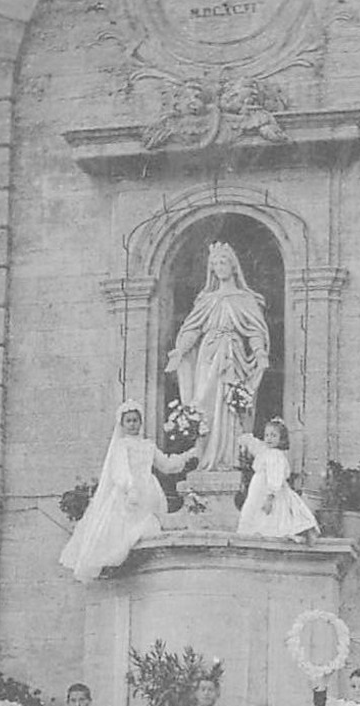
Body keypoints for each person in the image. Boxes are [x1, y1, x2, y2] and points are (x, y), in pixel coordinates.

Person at [59, 400, 197, 581]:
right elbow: (120, 470)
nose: (133, 424)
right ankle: (118, 567)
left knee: (149, 526)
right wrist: (130, 487)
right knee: (122, 530)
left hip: (148, 492)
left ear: (141, 422)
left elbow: (166, 465)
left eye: (135, 420)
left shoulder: (148, 446)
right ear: (122, 425)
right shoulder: (121, 446)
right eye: (129, 421)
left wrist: (188, 456)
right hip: (128, 493)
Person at [165, 242, 270, 471]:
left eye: (223, 262)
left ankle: (230, 459)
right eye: (215, 264)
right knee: (205, 403)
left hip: (233, 356)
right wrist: (180, 350)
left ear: (233, 266)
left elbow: (254, 330)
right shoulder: (206, 299)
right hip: (208, 357)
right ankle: (206, 459)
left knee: (231, 404)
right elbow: (192, 328)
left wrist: (260, 352)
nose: (219, 267)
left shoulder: (244, 298)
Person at [237, 418, 319, 542]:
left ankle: (266, 532)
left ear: (282, 439)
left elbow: (275, 477)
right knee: (254, 510)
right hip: (259, 490)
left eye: (274, 436)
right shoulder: (266, 451)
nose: (269, 438)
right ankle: (255, 532)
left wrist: (270, 497)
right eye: (267, 435)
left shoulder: (275, 455)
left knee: (271, 512)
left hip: (268, 491)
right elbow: (253, 444)